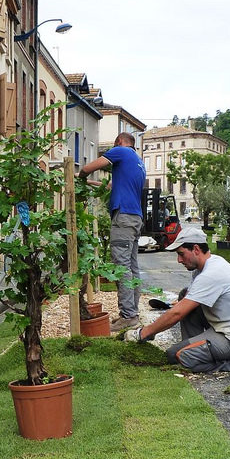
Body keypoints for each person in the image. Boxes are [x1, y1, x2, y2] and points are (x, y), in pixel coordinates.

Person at [126, 224, 230, 373]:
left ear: (196, 249)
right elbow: (187, 301)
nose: (179, 260)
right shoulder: (204, 268)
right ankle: (197, 347)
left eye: (181, 254)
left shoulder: (212, 273)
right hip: (228, 329)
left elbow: (178, 313)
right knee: (185, 295)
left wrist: (144, 333)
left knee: (176, 355)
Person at [79, 132, 147, 333]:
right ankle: (132, 312)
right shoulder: (137, 162)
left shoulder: (121, 151)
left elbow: (88, 167)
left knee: (121, 267)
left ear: (119, 142)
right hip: (135, 218)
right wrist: (86, 181)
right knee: (132, 267)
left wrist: (81, 174)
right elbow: (109, 186)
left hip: (123, 217)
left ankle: (128, 316)